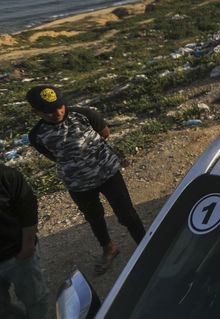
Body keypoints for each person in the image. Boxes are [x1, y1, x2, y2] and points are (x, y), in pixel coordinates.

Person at [26, 86, 145, 275]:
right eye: (48, 111)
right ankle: (108, 248)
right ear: (35, 112)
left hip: (108, 174)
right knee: (94, 218)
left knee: (127, 213)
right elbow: (53, 155)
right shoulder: (37, 135)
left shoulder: (83, 115)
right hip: (78, 184)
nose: (57, 113)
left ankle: (145, 246)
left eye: (59, 107)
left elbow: (104, 132)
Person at [0, 165, 49, 319]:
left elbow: (28, 213)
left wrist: (27, 250)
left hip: (17, 255)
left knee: (35, 299)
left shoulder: (7, 176)